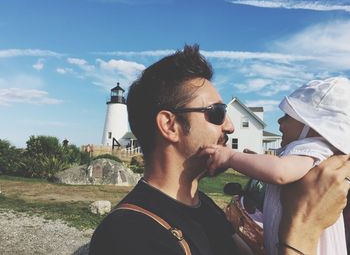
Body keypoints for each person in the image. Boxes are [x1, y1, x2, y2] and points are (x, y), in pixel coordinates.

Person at [89, 45, 350, 255]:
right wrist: (303, 229)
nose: (230, 126)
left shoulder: (205, 208)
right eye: (217, 113)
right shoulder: (130, 235)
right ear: (170, 125)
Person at [199, 77, 350, 254]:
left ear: (313, 126)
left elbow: (280, 172)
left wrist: (231, 156)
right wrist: (256, 161)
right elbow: (283, 168)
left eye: (288, 116)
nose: (279, 122)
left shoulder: (313, 147)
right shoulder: (306, 154)